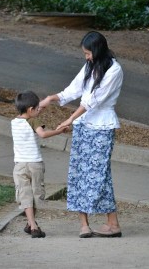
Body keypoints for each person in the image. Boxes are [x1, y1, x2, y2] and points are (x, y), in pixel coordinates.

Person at [39, 31, 123, 238]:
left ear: (98, 50)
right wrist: (50, 99)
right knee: (78, 174)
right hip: (85, 126)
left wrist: (70, 119)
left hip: (102, 127)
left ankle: (113, 223)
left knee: (99, 176)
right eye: (84, 53)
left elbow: (92, 100)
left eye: (88, 53)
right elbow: (73, 90)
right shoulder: (89, 66)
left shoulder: (114, 70)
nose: (86, 57)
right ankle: (84, 225)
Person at [11, 90, 68, 238]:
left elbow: (32, 114)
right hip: (34, 165)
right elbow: (42, 134)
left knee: (25, 194)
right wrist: (59, 131)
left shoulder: (14, 122)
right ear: (31, 109)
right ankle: (34, 226)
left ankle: (30, 224)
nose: (39, 110)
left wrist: (44, 103)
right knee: (36, 194)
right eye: (37, 108)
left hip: (19, 166)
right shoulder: (33, 121)